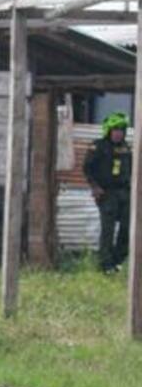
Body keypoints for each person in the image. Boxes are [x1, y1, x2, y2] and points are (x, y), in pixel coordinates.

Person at [83, 112, 133, 273]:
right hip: (106, 193)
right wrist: (94, 187)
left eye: (121, 130)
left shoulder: (126, 148)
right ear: (109, 130)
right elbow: (87, 168)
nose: (118, 133)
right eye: (115, 130)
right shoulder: (98, 146)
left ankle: (118, 260)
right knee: (108, 229)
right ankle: (106, 264)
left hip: (124, 192)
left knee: (127, 227)